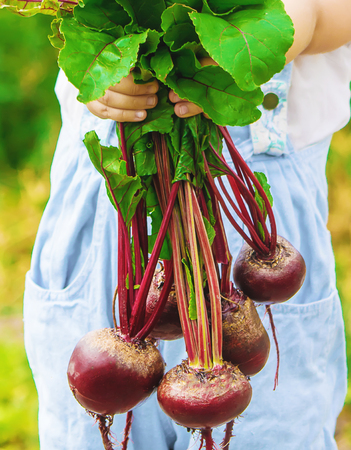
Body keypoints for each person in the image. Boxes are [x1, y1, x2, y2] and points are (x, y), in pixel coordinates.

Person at [23, 0, 351, 449]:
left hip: (249, 241)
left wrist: (302, 20)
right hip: (109, 236)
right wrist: (102, 66)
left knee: (276, 428)